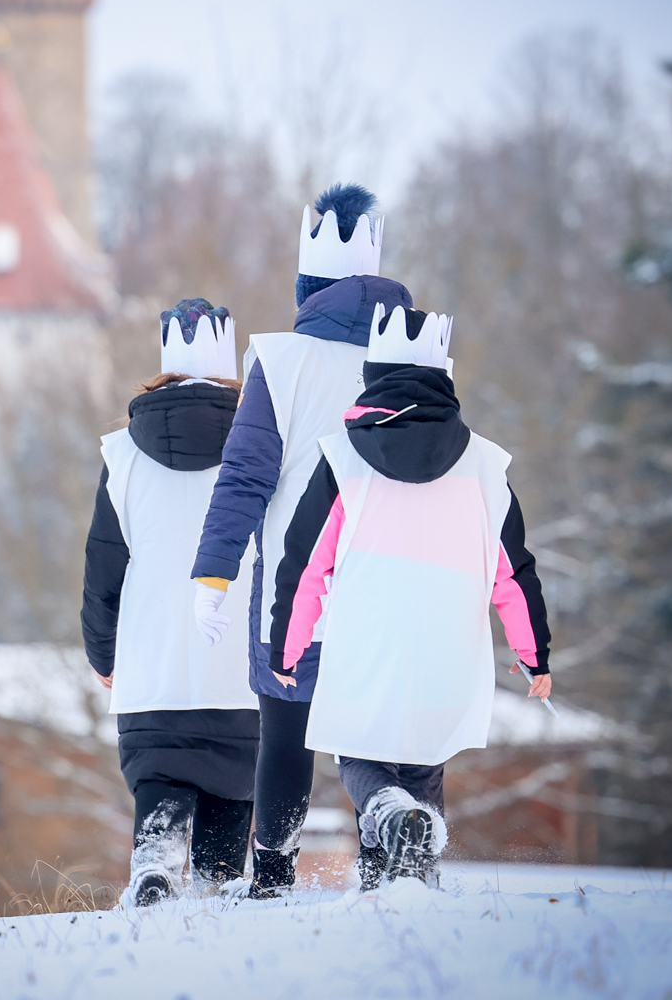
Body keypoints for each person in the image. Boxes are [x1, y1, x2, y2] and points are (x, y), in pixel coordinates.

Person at [270, 304, 552, 888]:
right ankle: (406, 884)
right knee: (423, 761)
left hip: (369, 640)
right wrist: (534, 655)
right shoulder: (485, 464)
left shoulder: (343, 458)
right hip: (449, 646)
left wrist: (286, 648)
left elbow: (305, 565)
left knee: (361, 752)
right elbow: (513, 572)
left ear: (373, 378)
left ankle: (389, 812)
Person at [188, 184, 414, 899]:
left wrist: (212, 575)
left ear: (306, 288)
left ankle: (273, 879)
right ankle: (386, 874)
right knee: (372, 733)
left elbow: (244, 478)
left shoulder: (282, 362)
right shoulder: (414, 358)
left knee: (285, 734)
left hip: (295, 591)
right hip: (389, 584)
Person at [81, 298, 260, 907]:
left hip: (153, 670)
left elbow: (103, 570)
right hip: (238, 671)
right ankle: (216, 894)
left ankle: (155, 866)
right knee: (233, 795)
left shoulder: (122, 457)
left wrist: (103, 654)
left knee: (159, 779)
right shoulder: (264, 448)